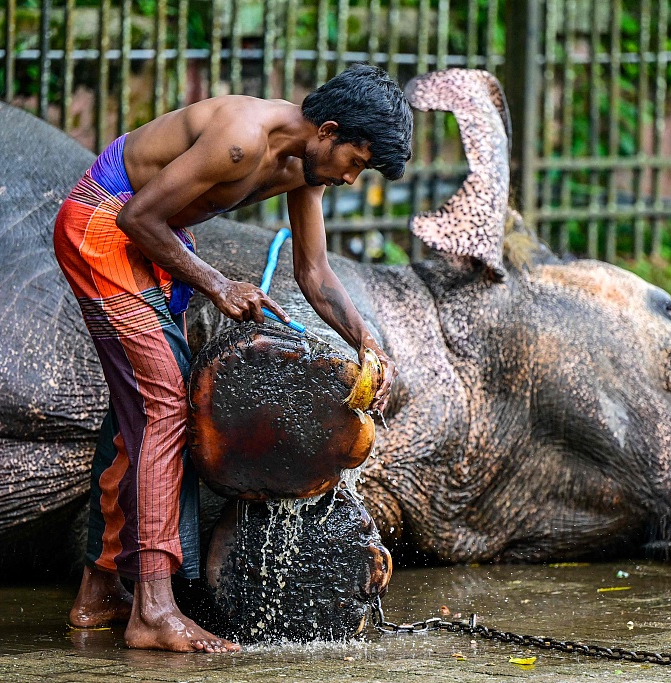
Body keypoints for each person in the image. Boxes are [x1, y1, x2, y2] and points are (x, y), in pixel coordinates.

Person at [53, 63, 412, 653]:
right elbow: (136, 217)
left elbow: (314, 274)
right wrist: (219, 284)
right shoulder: (241, 138)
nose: (353, 177)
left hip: (154, 241)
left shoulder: (305, 169)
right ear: (328, 130)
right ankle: (153, 611)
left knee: (139, 410)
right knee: (166, 405)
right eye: (357, 160)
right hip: (104, 224)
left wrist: (364, 341)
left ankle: (98, 592)